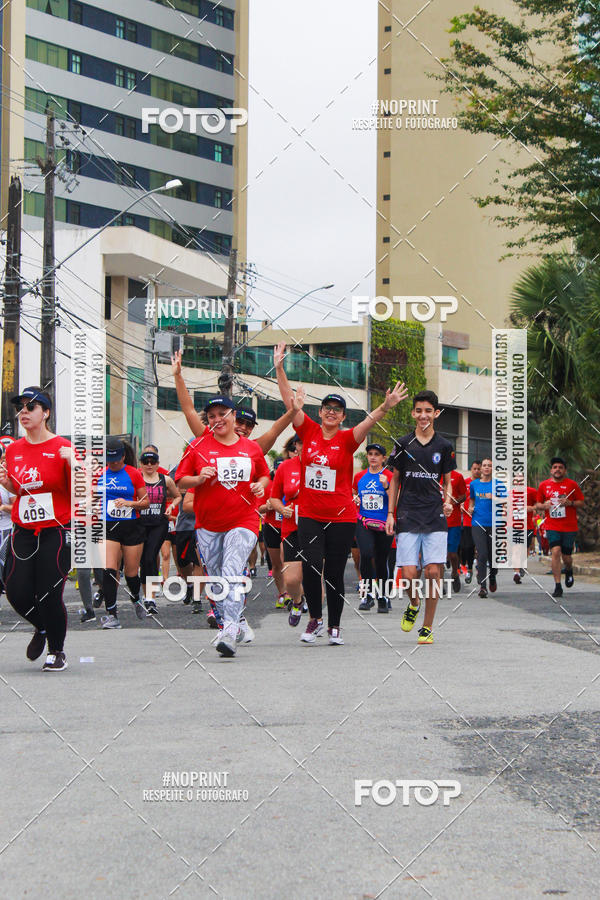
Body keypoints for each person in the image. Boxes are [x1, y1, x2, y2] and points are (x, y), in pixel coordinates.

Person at [275, 342, 407, 646]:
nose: (331, 413)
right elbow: (288, 403)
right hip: (308, 514)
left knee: (334, 572)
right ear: (320, 413)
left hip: (341, 516)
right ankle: (314, 621)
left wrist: (386, 406)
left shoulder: (348, 440)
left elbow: (369, 421)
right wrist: (280, 367)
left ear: (342, 416)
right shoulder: (307, 431)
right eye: (327, 409)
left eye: (337, 410)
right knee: (311, 567)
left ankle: (335, 625)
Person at [174, 395, 271, 657]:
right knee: (217, 581)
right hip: (208, 524)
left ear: (233, 416)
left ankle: (228, 631)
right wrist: (198, 478)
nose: (217, 420)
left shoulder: (250, 448)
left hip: (244, 520)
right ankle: (238, 623)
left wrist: (261, 485)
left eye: (222, 414)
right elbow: (180, 482)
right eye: (212, 416)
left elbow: (264, 474)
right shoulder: (198, 446)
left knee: (231, 571)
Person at [0, 386, 75, 671]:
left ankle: (57, 650)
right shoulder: (15, 449)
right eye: (20, 407)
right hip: (23, 528)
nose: (23, 412)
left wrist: (75, 466)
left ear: (45, 413)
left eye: (30, 407)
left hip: (55, 530)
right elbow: (21, 489)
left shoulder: (62, 448)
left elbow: (81, 493)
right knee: (16, 591)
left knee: (48, 592)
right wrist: (9, 486)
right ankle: (42, 627)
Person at [385, 390, 455, 644]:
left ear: (436, 414)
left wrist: (447, 502)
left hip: (434, 514)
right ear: (413, 413)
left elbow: (448, 480)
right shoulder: (403, 444)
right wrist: (391, 514)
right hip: (407, 513)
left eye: (429, 411)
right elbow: (394, 479)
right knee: (409, 573)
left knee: (434, 572)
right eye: (419, 410)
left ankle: (427, 627)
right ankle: (413, 603)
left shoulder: (444, 446)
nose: (423, 415)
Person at [95, 438, 149, 628]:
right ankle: (112, 615)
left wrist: (130, 503)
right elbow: (95, 498)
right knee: (109, 570)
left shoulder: (133, 473)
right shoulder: (101, 474)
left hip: (131, 526)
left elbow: (146, 502)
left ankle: (136, 599)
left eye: (117, 459)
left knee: (131, 573)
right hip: (108, 527)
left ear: (124, 456)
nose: (114, 463)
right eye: (111, 460)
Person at [138, 445, 180, 614]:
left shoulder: (165, 479)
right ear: (140, 464)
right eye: (146, 462)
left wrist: (171, 508)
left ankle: (151, 599)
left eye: (152, 462)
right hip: (139, 524)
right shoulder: (136, 478)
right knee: (143, 561)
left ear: (157, 463)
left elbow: (177, 496)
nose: (149, 465)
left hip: (158, 524)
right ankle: (145, 595)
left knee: (150, 557)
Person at [353, 443, 394, 613]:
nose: (373, 457)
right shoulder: (360, 476)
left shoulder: (390, 476)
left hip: (384, 523)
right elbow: (353, 492)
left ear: (383, 458)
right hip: (364, 522)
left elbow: (396, 498)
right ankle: (368, 595)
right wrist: (354, 498)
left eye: (377, 454)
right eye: (370, 453)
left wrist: (386, 487)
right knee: (366, 553)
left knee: (380, 559)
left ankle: (383, 596)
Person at [536, 457, 585, 597]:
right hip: (552, 525)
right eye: (555, 467)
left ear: (565, 470)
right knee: (556, 552)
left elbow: (581, 502)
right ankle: (558, 586)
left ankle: (569, 569)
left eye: (560, 467)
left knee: (567, 557)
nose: (557, 469)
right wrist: (544, 505)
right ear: (551, 470)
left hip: (569, 526)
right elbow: (537, 505)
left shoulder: (572, 485)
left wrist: (570, 503)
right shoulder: (544, 485)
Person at [270, 434, 305, 626]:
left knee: (316, 575)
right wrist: (282, 509)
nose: (302, 446)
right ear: (295, 446)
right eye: (299, 443)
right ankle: (297, 602)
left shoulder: (323, 467)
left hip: (317, 527)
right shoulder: (285, 467)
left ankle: (317, 620)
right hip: (291, 527)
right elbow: (275, 497)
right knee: (291, 579)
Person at [467, 458, 499, 598]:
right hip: (477, 523)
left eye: (489, 466)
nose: (486, 468)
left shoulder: (498, 484)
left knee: (493, 556)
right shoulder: (474, 484)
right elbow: (472, 499)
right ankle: (483, 586)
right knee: (482, 553)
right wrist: (470, 507)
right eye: (484, 466)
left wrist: (494, 498)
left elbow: (506, 501)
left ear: (492, 469)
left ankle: (492, 575)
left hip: (494, 523)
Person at [442, 468, 467, 593]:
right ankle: (439, 583)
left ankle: (454, 572)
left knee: (452, 553)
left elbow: (464, 495)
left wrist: (454, 501)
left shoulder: (457, 476)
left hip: (454, 521)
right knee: (439, 555)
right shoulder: (433, 475)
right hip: (437, 521)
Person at [512, 478, 538, 584]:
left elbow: (538, 504)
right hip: (514, 526)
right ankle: (516, 573)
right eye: (516, 481)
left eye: (521, 481)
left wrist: (531, 508)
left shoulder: (531, 491)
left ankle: (522, 564)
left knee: (525, 548)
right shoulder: (510, 494)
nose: (518, 483)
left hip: (527, 526)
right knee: (516, 548)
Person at [459, 460, 481, 584]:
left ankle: (480, 570)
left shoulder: (483, 483)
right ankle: (469, 569)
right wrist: (460, 504)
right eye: (475, 469)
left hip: (481, 521)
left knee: (480, 548)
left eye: (479, 469)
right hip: (467, 521)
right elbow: (460, 496)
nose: (477, 471)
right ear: (471, 469)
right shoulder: (465, 483)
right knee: (467, 547)